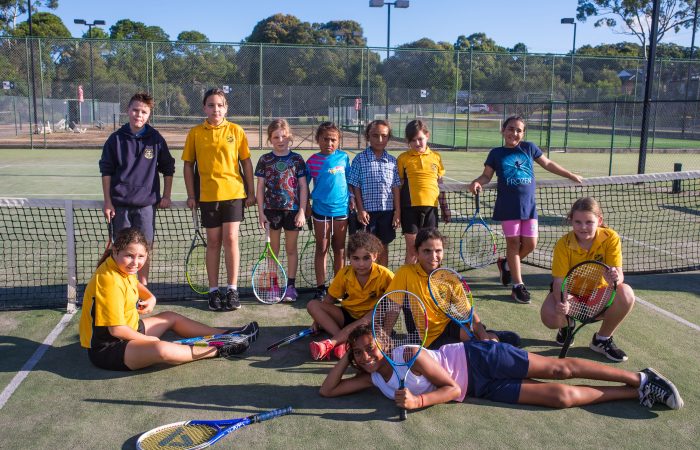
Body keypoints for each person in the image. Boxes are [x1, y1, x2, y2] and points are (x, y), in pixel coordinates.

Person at [319, 324, 684, 411]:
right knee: (558, 397)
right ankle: (636, 392)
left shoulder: (409, 353)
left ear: (383, 343)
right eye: (360, 355)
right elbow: (327, 390)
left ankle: (639, 376)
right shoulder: (373, 380)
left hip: (478, 358)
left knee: (558, 370)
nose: (367, 356)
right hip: (482, 388)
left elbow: (450, 389)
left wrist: (418, 403)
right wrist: (343, 349)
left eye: (370, 349)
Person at [79, 227, 259, 371]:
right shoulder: (108, 279)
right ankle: (219, 348)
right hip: (109, 348)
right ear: (116, 251)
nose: (135, 262)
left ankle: (228, 335)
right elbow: (117, 330)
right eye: (130, 256)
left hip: (130, 329)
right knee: (161, 350)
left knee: (170, 317)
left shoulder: (120, 268)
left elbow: (133, 283)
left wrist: (150, 297)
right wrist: (149, 341)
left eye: (141, 256)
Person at [468, 115, 583, 304]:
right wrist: (477, 182)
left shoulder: (529, 148)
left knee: (530, 244)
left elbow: (548, 164)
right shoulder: (496, 153)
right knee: (513, 244)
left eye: (518, 130)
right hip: (508, 206)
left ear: (523, 133)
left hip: (528, 206)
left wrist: (569, 175)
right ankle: (518, 285)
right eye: (510, 129)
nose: (514, 133)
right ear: (503, 131)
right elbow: (487, 176)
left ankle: (506, 264)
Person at [182, 88, 255, 312]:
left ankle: (231, 290)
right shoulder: (195, 133)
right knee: (213, 242)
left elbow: (246, 163)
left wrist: (251, 192)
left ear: (226, 108)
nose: (216, 109)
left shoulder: (236, 130)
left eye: (220, 105)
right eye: (211, 105)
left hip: (233, 194)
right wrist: (192, 195)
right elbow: (187, 165)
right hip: (207, 197)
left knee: (231, 239)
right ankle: (214, 291)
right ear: (204, 108)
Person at [386, 228, 519, 350]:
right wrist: (385, 335)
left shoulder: (449, 277)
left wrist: (484, 337)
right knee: (469, 351)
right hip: (427, 337)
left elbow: (468, 311)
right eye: (427, 251)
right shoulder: (405, 272)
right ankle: (492, 338)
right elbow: (394, 307)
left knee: (488, 343)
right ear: (416, 252)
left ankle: (491, 336)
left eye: (438, 251)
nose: (433, 257)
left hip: (449, 324)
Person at [540, 197, 636, 362]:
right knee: (549, 315)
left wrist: (615, 277)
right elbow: (558, 281)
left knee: (626, 293)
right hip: (572, 295)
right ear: (571, 221)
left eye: (589, 222)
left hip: (598, 297)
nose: (583, 227)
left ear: (599, 221)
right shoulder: (563, 244)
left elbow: (619, 275)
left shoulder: (610, 237)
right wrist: (563, 302)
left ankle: (602, 340)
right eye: (578, 222)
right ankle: (567, 325)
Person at [99, 92, 175, 285]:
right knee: (123, 251)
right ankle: (123, 287)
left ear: (149, 114)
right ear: (128, 111)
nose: (138, 115)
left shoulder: (156, 139)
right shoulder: (115, 139)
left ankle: (142, 287)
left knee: (143, 249)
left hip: (146, 207)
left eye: (143, 112)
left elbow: (168, 168)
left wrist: (166, 195)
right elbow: (106, 171)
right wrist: (108, 201)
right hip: (120, 206)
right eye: (135, 110)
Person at [307, 232, 394, 360]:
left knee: (377, 312)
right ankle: (343, 341)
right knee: (312, 305)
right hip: (348, 315)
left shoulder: (386, 275)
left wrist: (386, 330)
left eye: (366, 258)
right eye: (356, 258)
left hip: (371, 320)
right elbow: (329, 299)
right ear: (349, 258)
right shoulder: (345, 273)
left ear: (375, 256)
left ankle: (331, 343)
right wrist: (316, 321)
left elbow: (396, 302)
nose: (361, 264)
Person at [255, 119, 309, 302]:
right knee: (273, 251)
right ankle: (273, 285)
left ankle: (291, 286)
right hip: (271, 211)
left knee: (291, 249)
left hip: (293, 212)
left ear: (289, 137)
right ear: (270, 139)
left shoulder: (297, 160)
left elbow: (303, 186)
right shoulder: (265, 160)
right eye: (276, 136)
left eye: (284, 136)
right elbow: (260, 187)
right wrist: (261, 213)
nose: (280, 140)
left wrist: (302, 211)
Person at [306, 122, 354, 300]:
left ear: (338, 141)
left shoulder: (344, 158)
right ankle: (321, 287)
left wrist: (352, 199)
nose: (329, 143)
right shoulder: (312, 161)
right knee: (322, 248)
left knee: (340, 249)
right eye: (325, 139)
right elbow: (303, 186)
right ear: (318, 139)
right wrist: (306, 206)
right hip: (320, 212)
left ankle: (338, 286)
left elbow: (350, 181)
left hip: (341, 211)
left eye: (333, 140)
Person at [347, 120, 401, 267]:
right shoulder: (359, 159)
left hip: (387, 212)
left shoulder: (392, 161)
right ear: (368, 137)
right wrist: (361, 209)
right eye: (375, 135)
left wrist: (397, 212)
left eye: (384, 136)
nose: (380, 139)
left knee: (383, 248)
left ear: (389, 137)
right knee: (365, 250)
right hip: (367, 214)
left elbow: (396, 187)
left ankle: (382, 282)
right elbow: (355, 185)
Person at [397, 119, 450, 264]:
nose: (417, 143)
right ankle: (409, 284)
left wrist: (444, 207)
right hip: (409, 209)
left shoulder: (436, 157)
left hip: (431, 209)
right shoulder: (402, 159)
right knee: (413, 250)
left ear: (427, 135)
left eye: (420, 139)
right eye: (412, 140)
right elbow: (399, 185)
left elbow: (440, 184)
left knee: (430, 249)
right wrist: (397, 211)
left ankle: (429, 281)